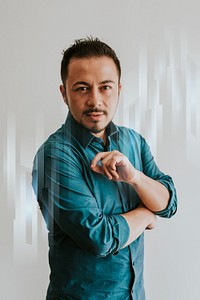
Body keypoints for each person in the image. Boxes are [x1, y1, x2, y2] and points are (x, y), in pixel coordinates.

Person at [32, 37, 177, 300]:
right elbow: (100, 238)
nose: (95, 100)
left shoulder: (133, 141)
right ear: (64, 93)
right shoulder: (53, 156)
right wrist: (146, 214)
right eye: (82, 88)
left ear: (119, 89)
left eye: (105, 87)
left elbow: (168, 202)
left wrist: (134, 177)